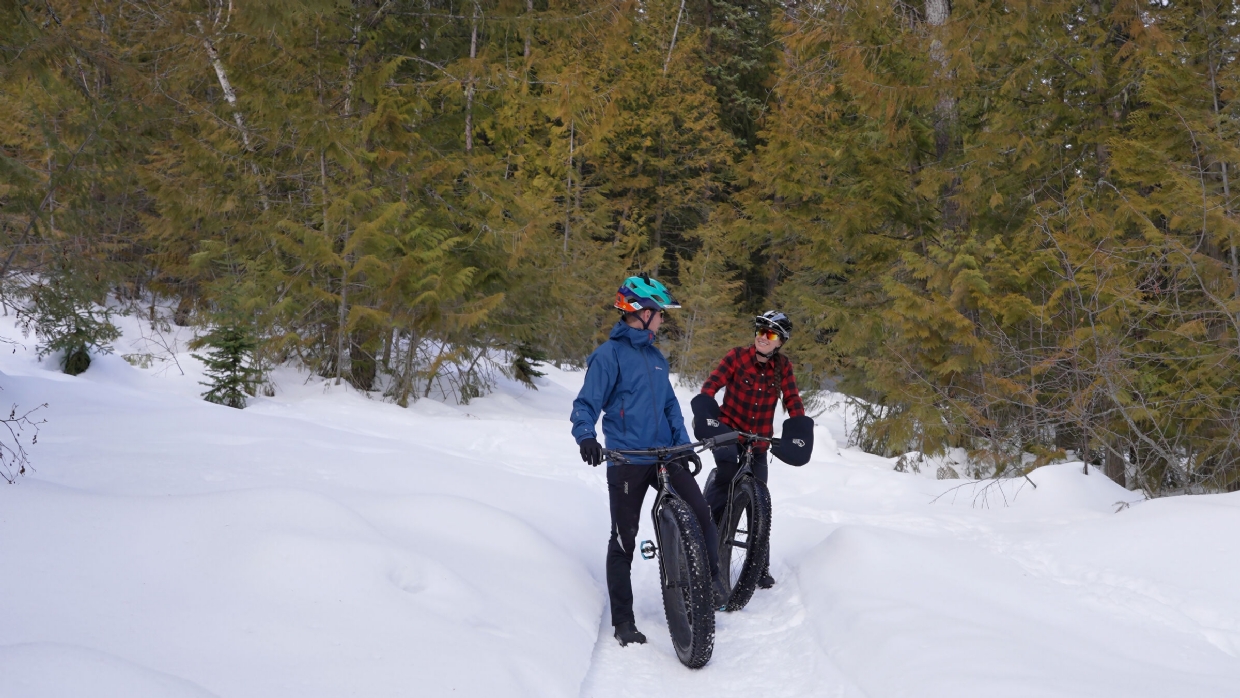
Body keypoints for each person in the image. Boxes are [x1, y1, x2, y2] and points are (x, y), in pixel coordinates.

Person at [571, 274, 728, 647]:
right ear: (639, 313)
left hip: (665, 455)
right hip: (628, 458)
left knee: (701, 512)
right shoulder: (608, 355)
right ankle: (623, 621)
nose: (662, 320)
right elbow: (586, 403)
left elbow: (671, 406)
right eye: (659, 313)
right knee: (625, 539)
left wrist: (683, 445)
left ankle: (707, 589)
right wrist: (586, 437)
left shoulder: (656, 357)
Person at [698, 310, 804, 589]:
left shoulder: (783, 367)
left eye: (770, 334)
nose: (763, 338)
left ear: (781, 341)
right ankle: (700, 537)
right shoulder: (737, 357)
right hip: (728, 431)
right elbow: (712, 384)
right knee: (725, 476)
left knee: (760, 502)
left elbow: (793, 400)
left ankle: (759, 565)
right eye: (760, 331)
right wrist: (706, 405)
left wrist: (800, 429)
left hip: (758, 441)